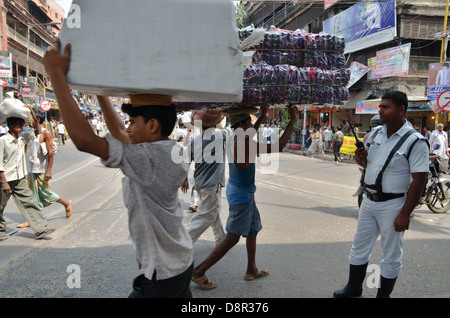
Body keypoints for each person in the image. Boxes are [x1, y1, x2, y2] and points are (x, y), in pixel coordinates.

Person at [43, 40, 193, 298]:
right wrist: (100, 92)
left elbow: (84, 140)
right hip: (180, 261)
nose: (129, 128)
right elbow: (120, 134)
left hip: (163, 273)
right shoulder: (170, 149)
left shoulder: (148, 158)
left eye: (133, 121)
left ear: (153, 125)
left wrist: (56, 74)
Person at [190, 105, 298, 290]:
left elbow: (250, 135)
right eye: (251, 120)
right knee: (231, 238)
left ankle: (251, 269)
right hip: (241, 196)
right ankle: (199, 271)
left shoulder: (236, 137)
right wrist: (293, 121)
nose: (252, 124)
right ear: (244, 122)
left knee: (253, 229)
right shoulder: (244, 142)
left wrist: (262, 116)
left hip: (244, 192)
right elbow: (279, 146)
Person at [334, 91, 429, 298]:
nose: (380, 110)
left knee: (391, 254)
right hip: (368, 200)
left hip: (393, 204)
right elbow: (368, 164)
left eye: (386, 107)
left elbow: (419, 180)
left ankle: (382, 296)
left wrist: (405, 213)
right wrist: (361, 158)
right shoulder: (376, 133)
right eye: (380, 106)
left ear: (401, 110)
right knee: (359, 246)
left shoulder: (415, 141)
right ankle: (353, 287)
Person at [0, 105, 56, 241]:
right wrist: (4, 182)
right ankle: (0, 231)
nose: (20, 126)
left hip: (19, 178)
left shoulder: (23, 138)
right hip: (5, 179)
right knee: (0, 207)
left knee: (28, 203)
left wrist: (31, 111)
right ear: (10, 125)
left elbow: (38, 129)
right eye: (17, 124)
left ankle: (41, 229)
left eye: (22, 124)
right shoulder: (2, 140)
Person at [181, 109, 230, 246]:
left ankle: (221, 241)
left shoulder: (195, 140)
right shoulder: (220, 134)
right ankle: (183, 243)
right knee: (207, 215)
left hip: (201, 184)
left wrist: (184, 179)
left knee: (214, 212)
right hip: (211, 184)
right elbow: (233, 131)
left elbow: (185, 160)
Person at [16, 110, 73, 229]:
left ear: (36, 119)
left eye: (31, 118)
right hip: (32, 169)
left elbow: (50, 153)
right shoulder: (31, 133)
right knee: (32, 195)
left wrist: (49, 170)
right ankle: (32, 219)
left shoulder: (45, 133)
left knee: (46, 193)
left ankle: (66, 203)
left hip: (41, 170)